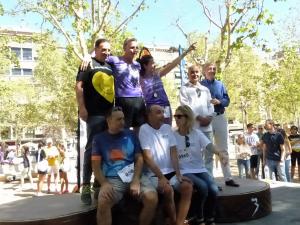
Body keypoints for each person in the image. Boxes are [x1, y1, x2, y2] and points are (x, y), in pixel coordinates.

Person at [91, 106, 157, 225]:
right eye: (118, 119)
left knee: (152, 198)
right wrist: (104, 183)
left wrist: (136, 179)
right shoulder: (98, 139)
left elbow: (139, 158)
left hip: (134, 175)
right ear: (109, 120)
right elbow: (95, 166)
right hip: (113, 179)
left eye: (123, 119)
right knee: (103, 201)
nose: (123, 122)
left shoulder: (131, 135)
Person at [139, 104, 193, 225]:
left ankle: (179, 222)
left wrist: (178, 174)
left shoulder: (167, 128)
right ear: (149, 115)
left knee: (188, 187)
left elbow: (173, 152)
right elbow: (147, 157)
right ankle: (174, 222)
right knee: (168, 190)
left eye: (163, 112)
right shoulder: (144, 129)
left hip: (171, 173)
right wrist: (161, 177)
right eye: (158, 112)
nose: (162, 115)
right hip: (154, 175)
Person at [75, 38, 114, 204]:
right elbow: (78, 86)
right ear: (96, 49)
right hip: (94, 114)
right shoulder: (87, 63)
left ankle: (99, 183)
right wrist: (82, 108)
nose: (106, 52)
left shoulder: (110, 66)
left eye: (108, 50)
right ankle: (85, 185)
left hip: (109, 115)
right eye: (103, 49)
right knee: (91, 148)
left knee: (105, 150)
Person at [173, 105, 219, 225]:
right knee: (203, 187)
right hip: (185, 170)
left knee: (214, 189)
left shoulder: (197, 133)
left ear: (187, 118)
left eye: (179, 116)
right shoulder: (173, 135)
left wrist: (220, 153)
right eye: (175, 116)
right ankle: (199, 217)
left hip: (200, 169)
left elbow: (209, 146)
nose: (176, 119)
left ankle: (210, 217)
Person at [201, 62, 239, 187]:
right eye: (209, 68)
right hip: (207, 119)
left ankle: (228, 178)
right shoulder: (200, 86)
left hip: (220, 117)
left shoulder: (220, 84)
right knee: (208, 150)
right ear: (204, 71)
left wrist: (220, 101)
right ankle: (210, 180)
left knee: (223, 149)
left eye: (214, 68)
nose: (212, 70)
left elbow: (227, 100)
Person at [138, 43, 196, 125]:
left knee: (167, 130)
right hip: (151, 108)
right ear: (145, 65)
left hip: (165, 106)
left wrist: (186, 51)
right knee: (155, 132)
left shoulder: (158, 74)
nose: (154, 65)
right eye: (152, 63)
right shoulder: (140, 78)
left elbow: (173, 64)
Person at [179, 64, 215, 175]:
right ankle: (197, 179)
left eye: (196, 72)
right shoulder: (184, 88)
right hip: (194, 127)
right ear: (188, 74)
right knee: (195, 154)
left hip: (207, 127)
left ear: (200, 73)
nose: (195, 74)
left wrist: (209, 117)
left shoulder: (205, 89)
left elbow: (210, 104)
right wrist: (198, 118)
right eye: (192, 72)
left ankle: (210, 179)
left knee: (209, 154)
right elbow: (185, 106)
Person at [106, 38, 145, 131]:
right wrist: (87, 56)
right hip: (123, 99)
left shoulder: (137, 65)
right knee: (123, 128)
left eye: (136, 48)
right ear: (124, 48)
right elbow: (98, 56)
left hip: (139, 100)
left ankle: (137, 145)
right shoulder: (114, 60)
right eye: (132, 47)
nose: (134, 50)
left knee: (140, 128)